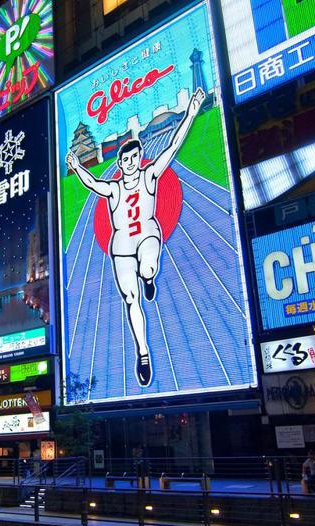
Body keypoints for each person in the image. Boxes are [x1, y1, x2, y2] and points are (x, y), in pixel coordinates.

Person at [65, 88, 206, 387]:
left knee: (148, 266)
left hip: (148, 234)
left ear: (139, 157)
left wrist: (191, 112)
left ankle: (149, 277)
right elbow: (93, 184)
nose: (129, 162)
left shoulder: (149, 175)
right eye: (125, 159)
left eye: (133, 157)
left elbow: (172, 146)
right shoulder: (114, 188)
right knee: (131, 299)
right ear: (120, 163)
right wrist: (77, 167)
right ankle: (143, 352)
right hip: (122, 246)